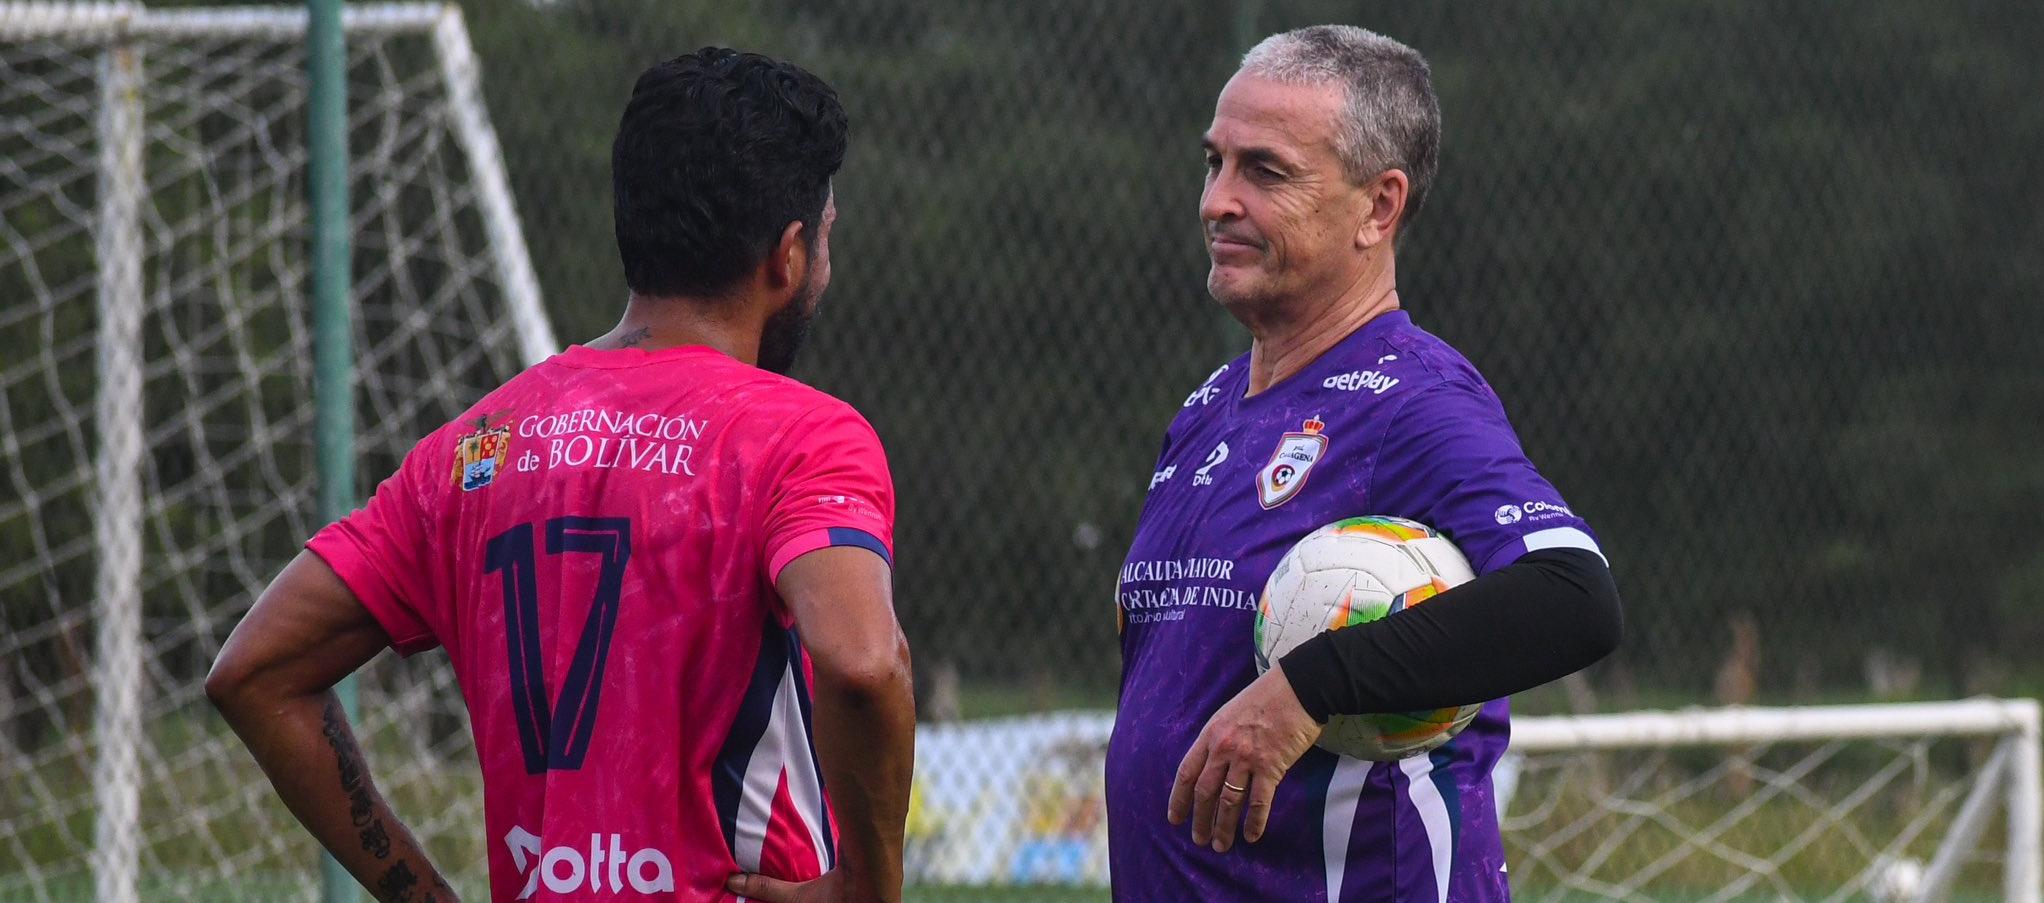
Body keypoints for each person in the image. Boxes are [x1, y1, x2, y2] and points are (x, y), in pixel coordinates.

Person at [207, 48, 914, 903]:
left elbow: (254, 673)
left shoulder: (473, 450)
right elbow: (865, 665)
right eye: (827, 237)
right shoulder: (802, 437)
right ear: (789, 255)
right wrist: (866, 891)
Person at [1106, 26, 1623, 902]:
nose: (1217, 201)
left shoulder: (1410, 401)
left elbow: (1574, 595)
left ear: (1379, 207)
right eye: (1214, 163)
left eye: (1265, 172)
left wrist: (1311, 685)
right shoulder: (1206, 409)